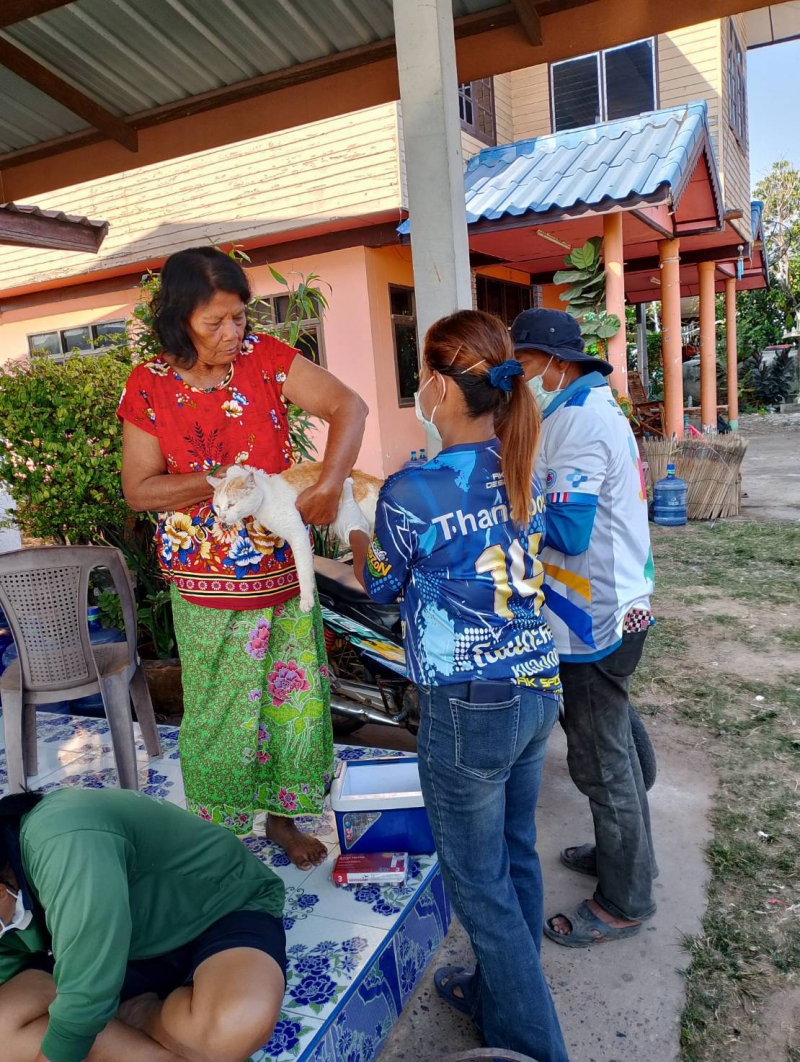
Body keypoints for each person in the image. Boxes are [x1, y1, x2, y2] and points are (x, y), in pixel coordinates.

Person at [334, 310, 569, 1062]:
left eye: (420, 378)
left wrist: (356, 529)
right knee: (516, 855)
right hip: (536, 685)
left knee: (480, 888)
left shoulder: (414, 489)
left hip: (470, 704)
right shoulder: (525, 461)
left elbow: (378, 585)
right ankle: (501, 995)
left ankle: (535, 1045)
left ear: (438, 386)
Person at [120, 246, 367, 868]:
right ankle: (218, 833)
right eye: (215, 322)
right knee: (219, 711)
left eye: (239, 317)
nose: (232, 333)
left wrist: (330, 482)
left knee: (291, 700)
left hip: (282, 573)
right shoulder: (149, 384)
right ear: (179, 319)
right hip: (204, 583)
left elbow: (350, 407)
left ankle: (283, 820)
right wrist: (221, 481)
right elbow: (140, 489)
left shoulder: (266, 359)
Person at [511, 307, 657, 948]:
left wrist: (508, 506)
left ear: (554, 363)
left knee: (601, 761)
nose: (520, 376)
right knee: (613, 738)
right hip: (614, 602)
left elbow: (568, 532)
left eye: (524, 363)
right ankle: (626, 854)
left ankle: (625, 900)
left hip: (593, 614)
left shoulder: (577, 423)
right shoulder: (588, 408)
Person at [0, 787, 286, 1062]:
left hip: (216, 913)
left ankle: (137, 1014)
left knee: (234, 1026)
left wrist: (74, 1024)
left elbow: (86, 989)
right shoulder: (8, 884)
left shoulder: (63, 838)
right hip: (115, 950)